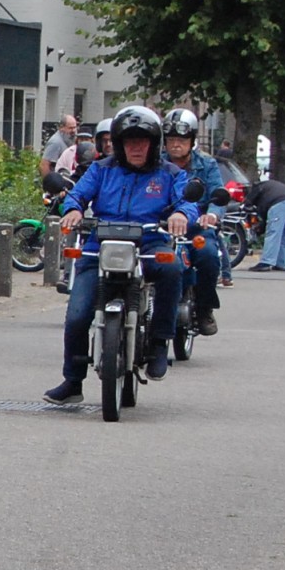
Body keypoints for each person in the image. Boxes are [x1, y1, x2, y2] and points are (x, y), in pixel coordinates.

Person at [43, 105, 196, 405]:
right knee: (77, 315)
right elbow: (77, 194)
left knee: (173, 268)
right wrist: (73, 209)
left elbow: (187, 202)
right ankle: (73, 381)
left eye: (142, 141)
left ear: (154, 144)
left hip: (149, 242)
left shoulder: (169, 173)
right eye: (129, 141)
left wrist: (181, 214)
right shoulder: (101, 169)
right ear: (118, 143)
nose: (136, 147)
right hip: (100, 245)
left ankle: (160, 343)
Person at [160, 108, 224, 335]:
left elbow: (218, 193)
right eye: (171, 140)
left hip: (197, 227)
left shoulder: (207, 164)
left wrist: (212, 215)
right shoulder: (157, 163)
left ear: (192, 141)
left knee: (208, 256)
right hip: (163, 226)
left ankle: (205, 308)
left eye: (181, 140)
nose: (175, 145)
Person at [244, 175, 285, 272]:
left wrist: (246, 205)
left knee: (273, 232)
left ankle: (266, 262)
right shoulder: (271, 186)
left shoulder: (258, 186)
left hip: (280, 204)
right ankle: (281, 263)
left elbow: (248, 203)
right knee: (283, 234)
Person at [39, 114, 78, 183]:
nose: (73, 131)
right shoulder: (55, 143)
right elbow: (44, 165)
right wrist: (49, 184)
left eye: (74, 127)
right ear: (61, 128)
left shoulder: (69, 139)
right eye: (70, 128)